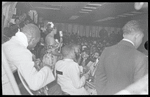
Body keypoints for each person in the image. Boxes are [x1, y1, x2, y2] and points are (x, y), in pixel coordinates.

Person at [94, 20, 148, 95]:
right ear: (137, 36)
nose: (141, 41)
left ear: (124, 35)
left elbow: (99, 79)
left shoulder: (107, 51)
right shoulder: (141, 57)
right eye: (142, 38)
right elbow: (139, 90)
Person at [2, 24, 55, 91]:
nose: (35, 46)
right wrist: (47, 67)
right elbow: (34, 84)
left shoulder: (9, 44)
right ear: (32, 40)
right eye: (36, 43)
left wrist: (32, 64)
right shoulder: (23, 52)